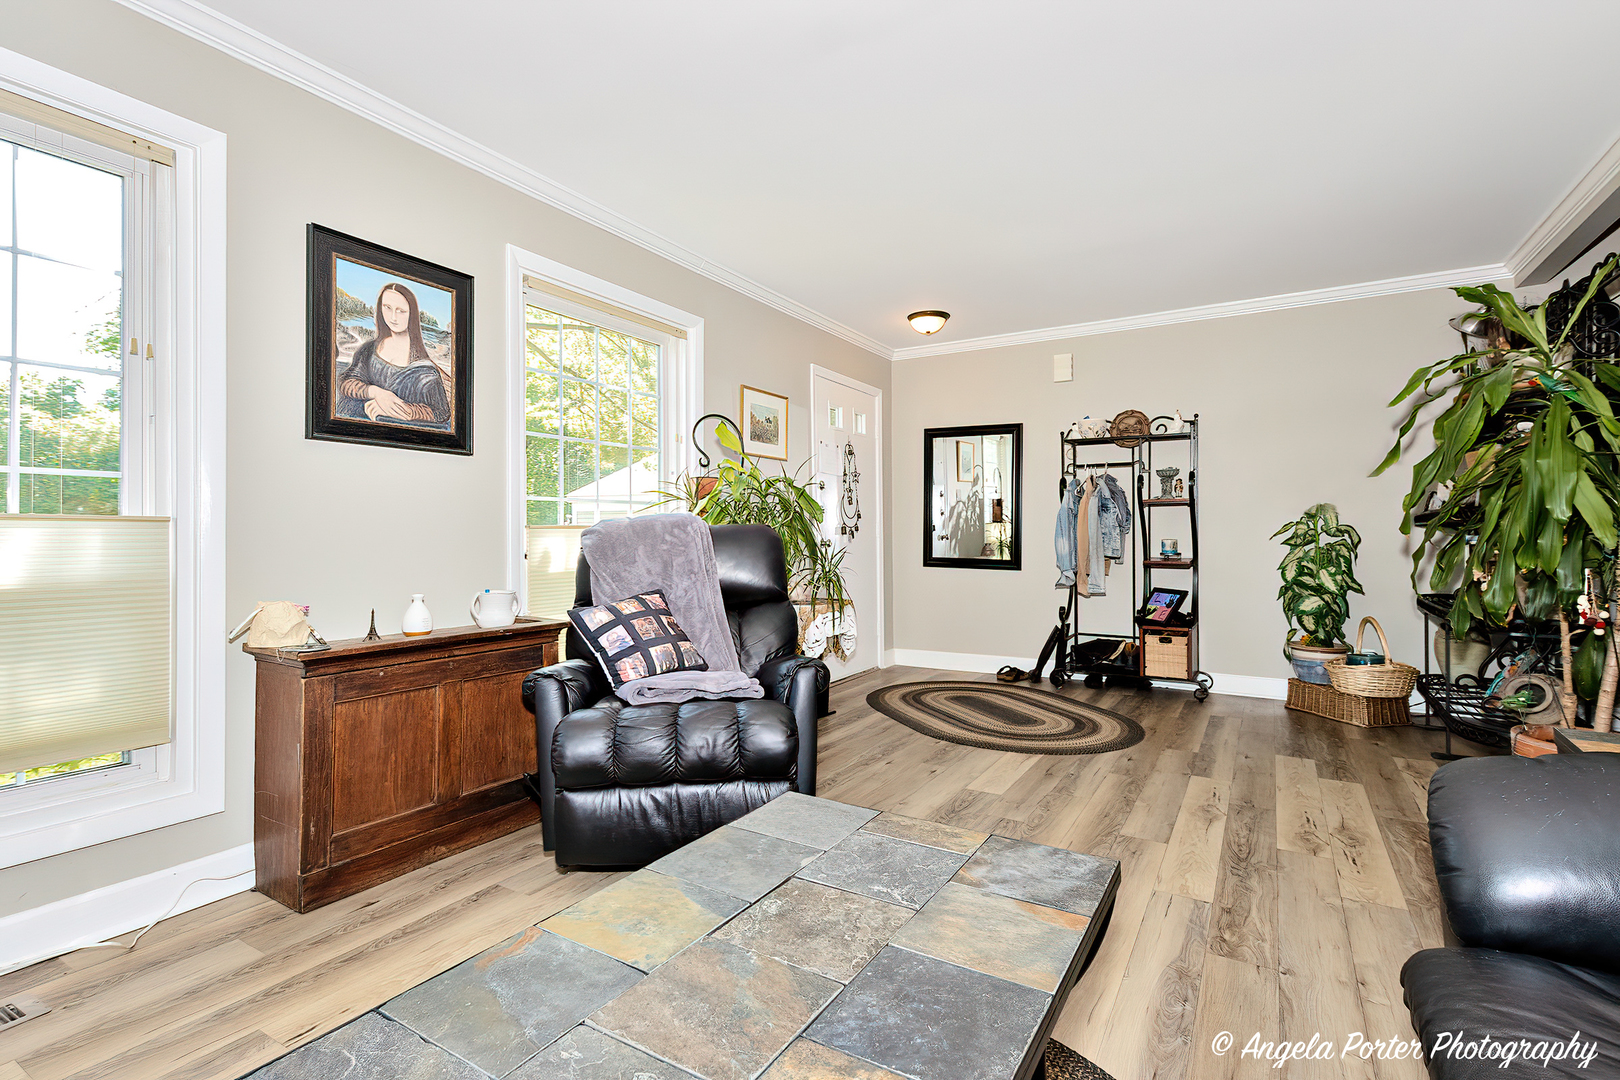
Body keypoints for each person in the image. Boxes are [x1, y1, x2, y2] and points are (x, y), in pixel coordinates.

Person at [336, 281, 450, 427]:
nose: (393, 317)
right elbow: (346, 382)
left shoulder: (425, 370)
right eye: (387, 308)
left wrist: (402, 410)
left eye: (401, 311)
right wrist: (376, 393)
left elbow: (440, 413)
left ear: (412, 315)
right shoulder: (369, 349)